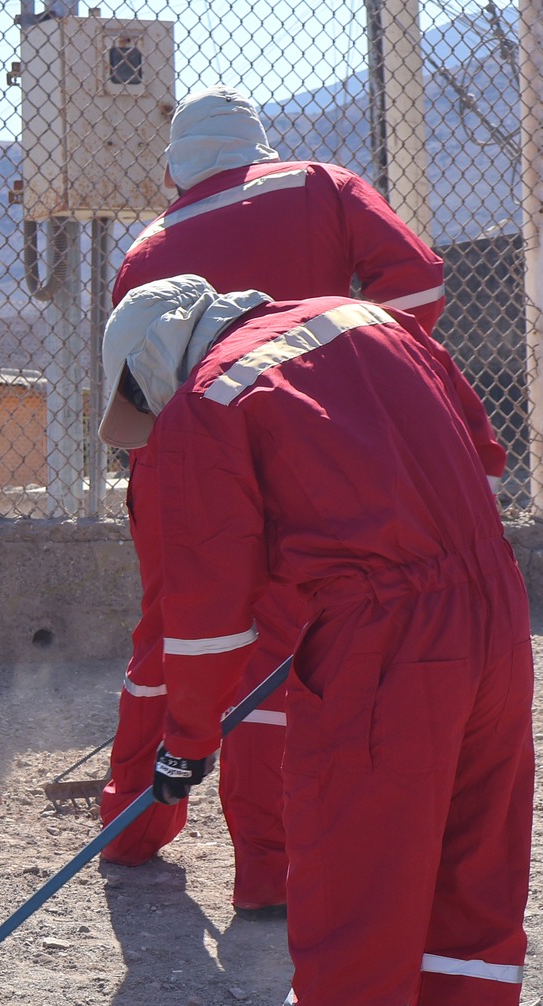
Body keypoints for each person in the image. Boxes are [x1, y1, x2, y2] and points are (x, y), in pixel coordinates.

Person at [96, 274, 534, 1006]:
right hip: (494, 620)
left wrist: (182, 747)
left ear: (150, 365)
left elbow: (203, 623)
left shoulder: (210, 397)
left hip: (383, 654)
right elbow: (477, 453)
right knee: (471, 905)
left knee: (350, 917)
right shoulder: (373, 321)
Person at [99, 85, 463, 919]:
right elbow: (416, 288)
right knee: (280, 647)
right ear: (255, 145)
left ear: (175, 170)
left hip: (177, 459)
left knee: (172, 629)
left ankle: (133, 818)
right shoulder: (320, 186)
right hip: (305, 446)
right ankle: (270, 868)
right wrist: (367, 378)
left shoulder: (146, 246)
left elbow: (134, 393)